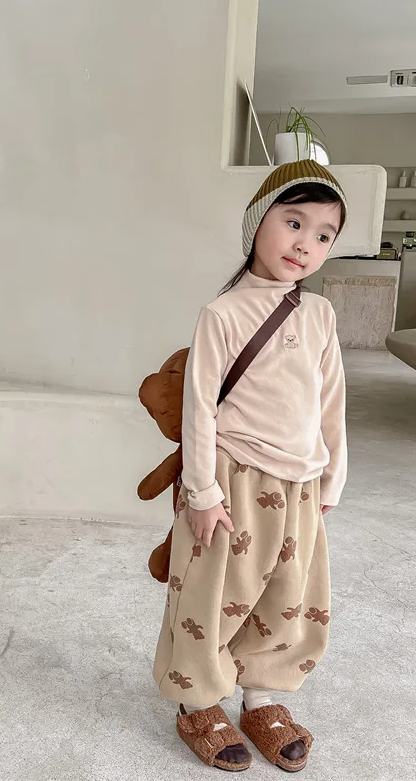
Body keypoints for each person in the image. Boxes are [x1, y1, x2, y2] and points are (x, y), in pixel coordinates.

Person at [151, 160, 348, 772]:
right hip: (233, 478)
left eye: (323, 234)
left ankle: (262, 696)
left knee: (290, 594)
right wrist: (202, 491)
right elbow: (199, 409)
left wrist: (331, 476)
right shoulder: (223, 314)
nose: (305, 243)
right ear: (257, 222)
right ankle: (197, 702)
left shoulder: (320, 315)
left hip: (300, 483)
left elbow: (331, 403)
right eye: (294, 222)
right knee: (214, 593)